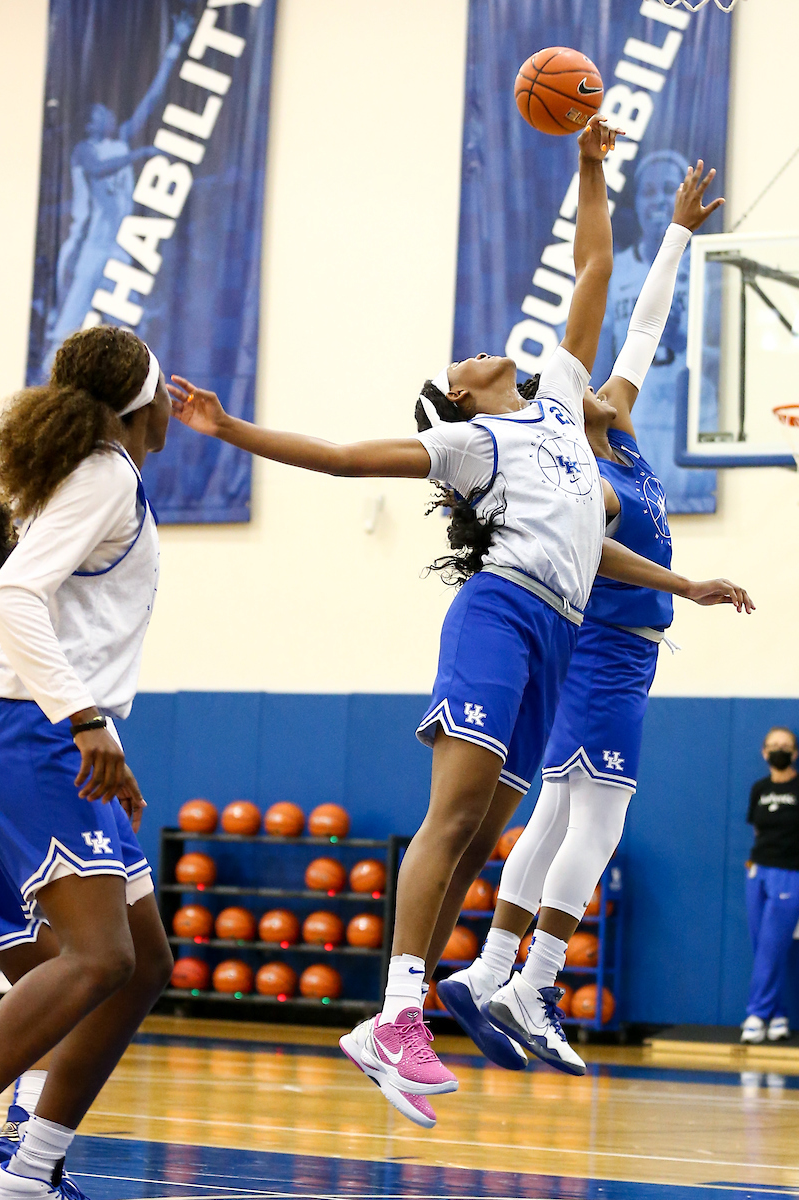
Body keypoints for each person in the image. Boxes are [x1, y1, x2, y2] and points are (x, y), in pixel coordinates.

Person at [167, 117, 750, 1129]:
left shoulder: (565, 412)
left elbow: (594, 270)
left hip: (558, 630)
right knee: (452, 818)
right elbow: (347, 458)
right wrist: (232, 431)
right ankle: (395, 1015)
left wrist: (589, 163)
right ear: (465, 396)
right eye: (467, 357)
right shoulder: (473, 444)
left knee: (485, 833)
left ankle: (411, 1013)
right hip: (498, 617)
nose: (483, 348)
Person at [436, 161, 743, 1077]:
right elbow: (598, 551)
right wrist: (686, 588)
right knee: (597, 828)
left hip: (609, 655)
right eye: (588, 384)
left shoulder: (622, 430)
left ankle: (489, 976)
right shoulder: (587, 467)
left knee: (556, 817)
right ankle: (533, 987)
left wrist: (681, 231)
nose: (618, 382)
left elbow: (642, 325)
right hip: (607, 648)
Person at [0, 325, 175, 1199]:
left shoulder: (79, 474)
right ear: (144, 401)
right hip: (37, 728)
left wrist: (99, 734)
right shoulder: (103, 473)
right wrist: (84, 721)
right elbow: (17, 594)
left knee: (143, 964)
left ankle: (31, 1171)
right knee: (98, 958)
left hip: (55, 730)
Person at [41, 12, 194, 374]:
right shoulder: (84, 150)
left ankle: (133, 396)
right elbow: (98, 170)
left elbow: (152, 100)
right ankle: (43, 392)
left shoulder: (120, 140)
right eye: (102, 111)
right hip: (87, 247)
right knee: (70, 322)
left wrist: (175, 46)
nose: (111, 113)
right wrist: (140, 155)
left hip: (117, 246)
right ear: (91, 122)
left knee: (127, 325)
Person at [592, 151, 716, 513]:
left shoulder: (710, 267)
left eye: (668, 189)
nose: (659, 199)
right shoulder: (616, 274)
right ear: (637, 203)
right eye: (648, 191)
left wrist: (681, 340)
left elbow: (728, 365)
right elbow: (599, 366)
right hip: (634, 421)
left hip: (694, 420)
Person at [741, 726, 799, 1044]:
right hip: (758, 871)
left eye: (785, 745)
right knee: (760, 944)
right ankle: (778, 1013)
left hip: (790, 872)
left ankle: (757, 1014)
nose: (779, 749)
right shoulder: (759, 789)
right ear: (764, 752)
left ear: (794, 752)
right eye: (773, 745)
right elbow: (757, 831)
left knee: (773, 945)